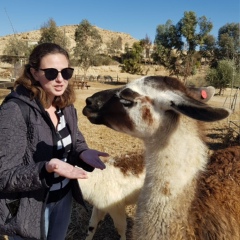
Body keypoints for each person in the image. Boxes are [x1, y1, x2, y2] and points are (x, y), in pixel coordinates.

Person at [0, 42, 109, 240]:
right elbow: (4, 175)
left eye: (66, 72)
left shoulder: (65, 105)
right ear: (34, 73)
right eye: (51, 73)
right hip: (30, 206)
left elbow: (75, 140)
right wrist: (47, 168)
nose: (60, 79)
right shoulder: (14, 110)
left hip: (63, 198)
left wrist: (83, 152)